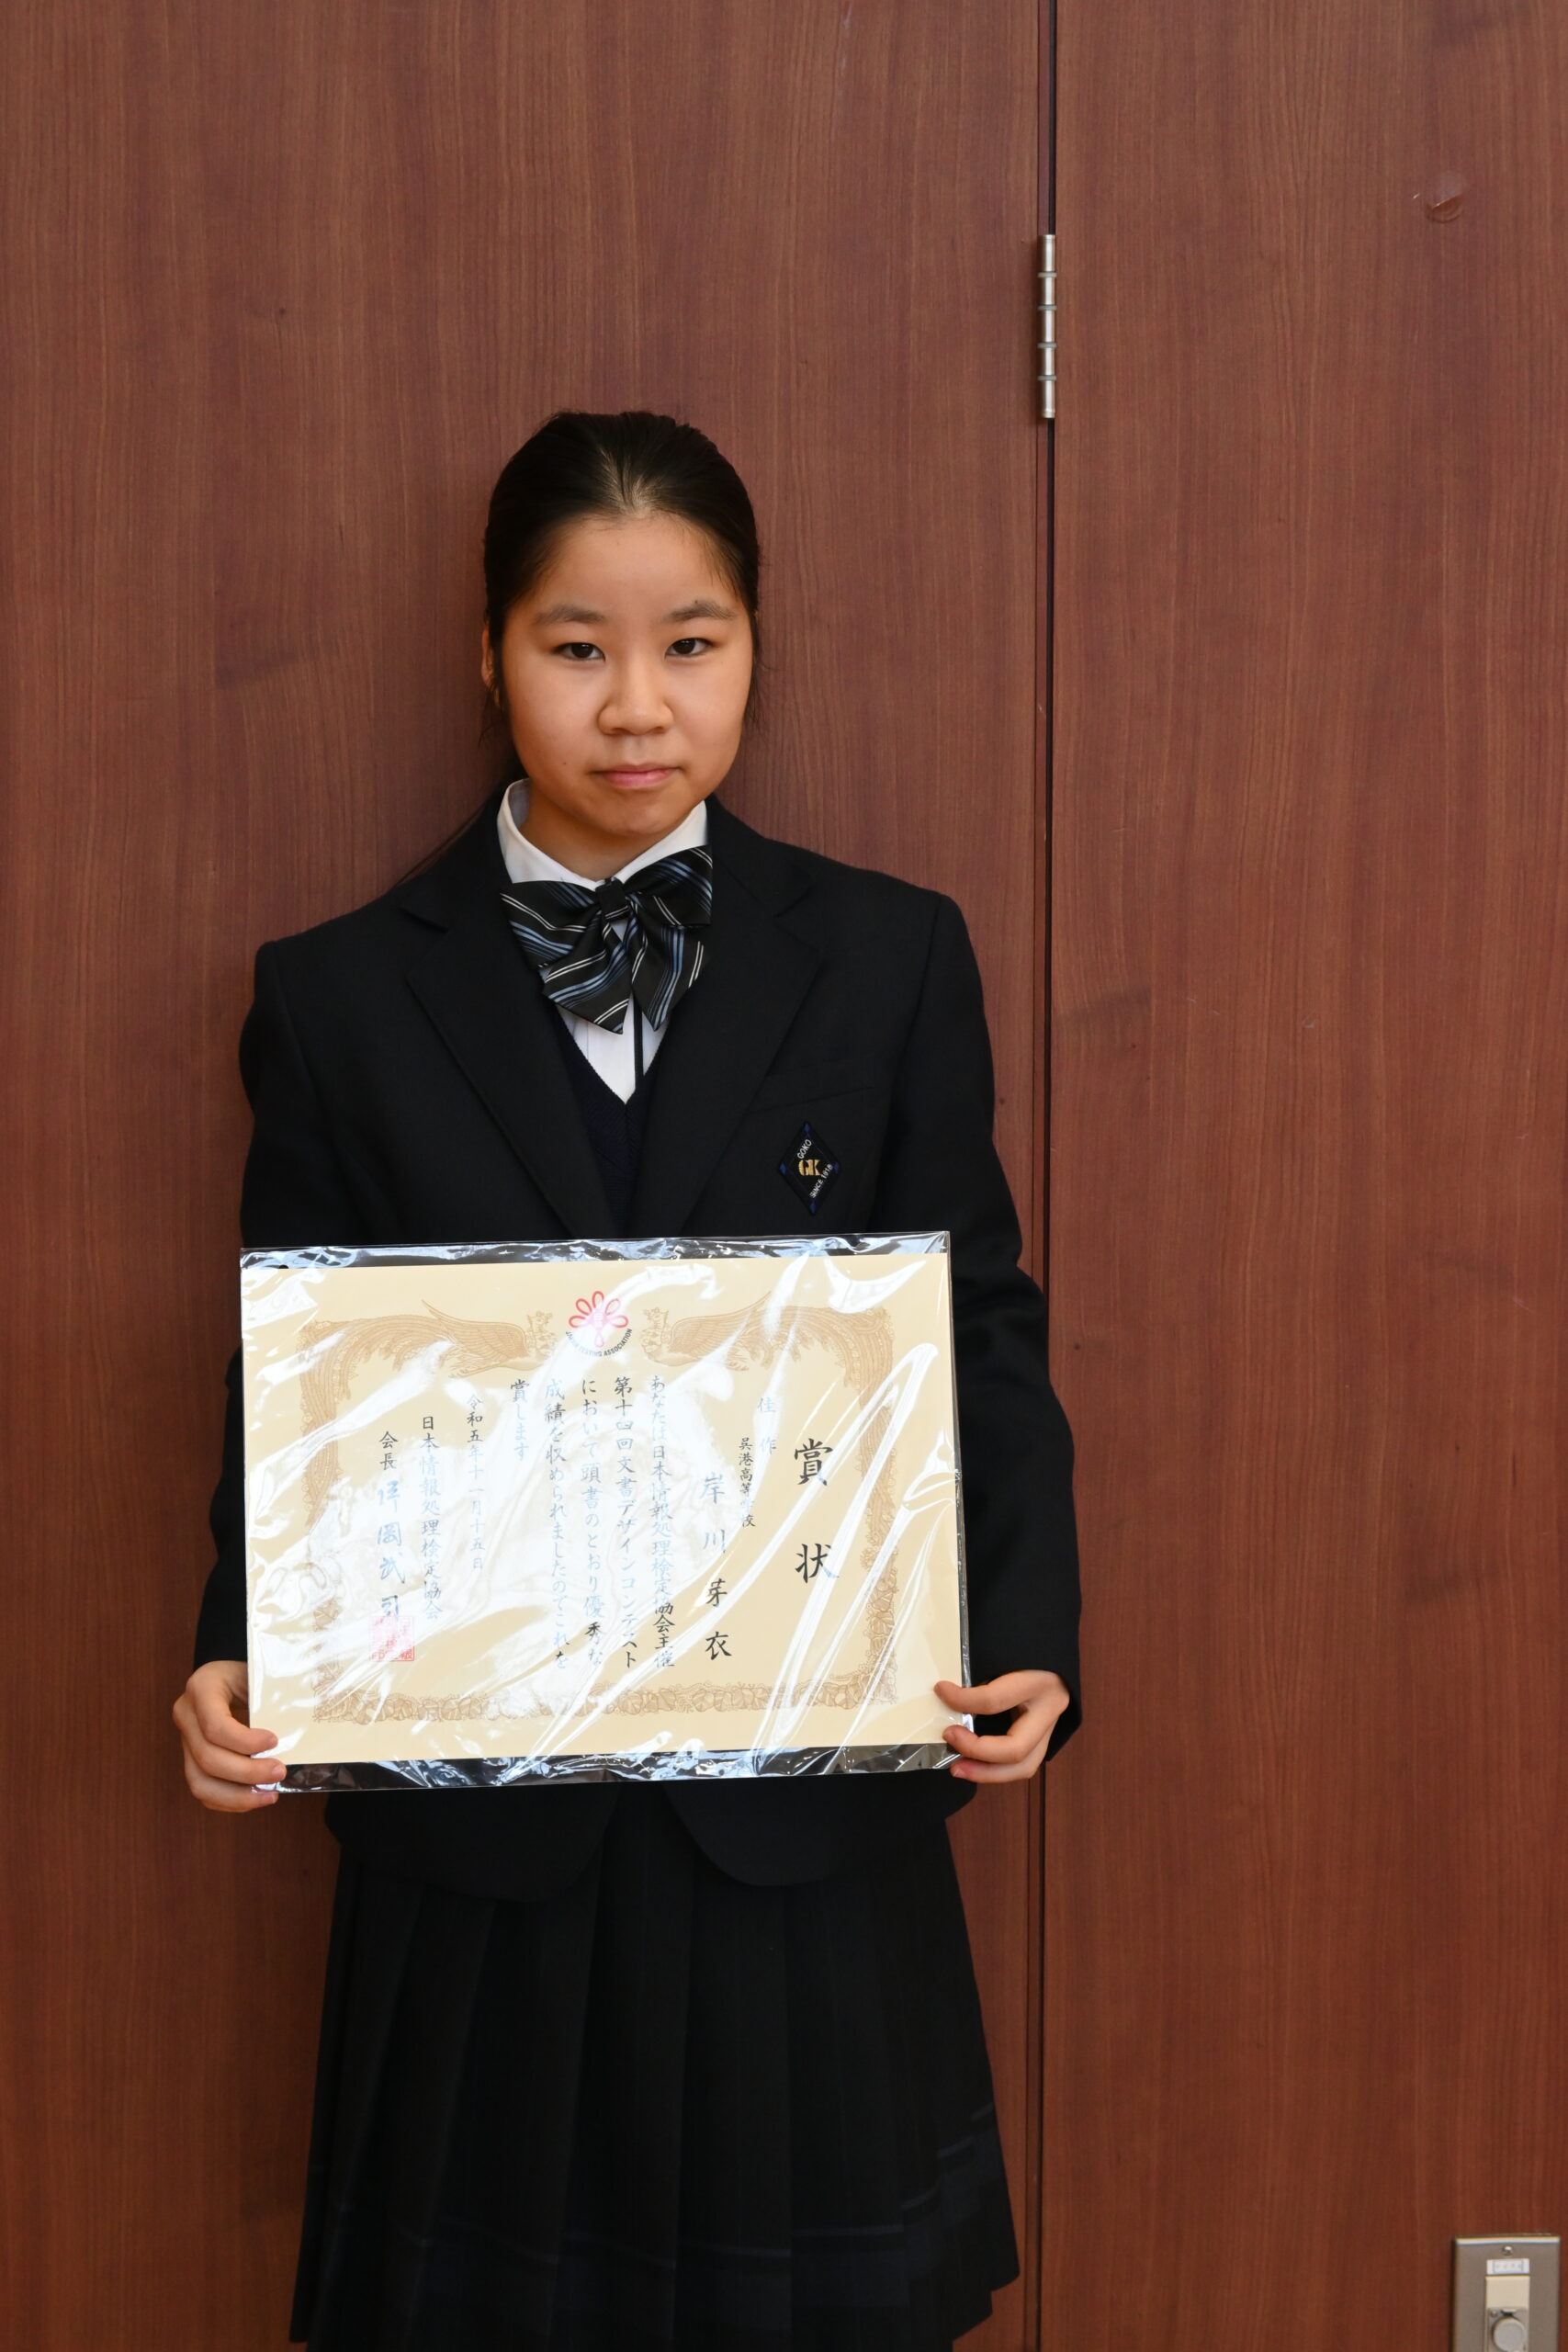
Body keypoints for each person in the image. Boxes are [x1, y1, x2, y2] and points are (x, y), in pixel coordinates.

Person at [172, 408, 1082, 2352]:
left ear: (755, 648)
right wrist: (241, 1647)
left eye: (692, 642)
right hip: (477, 1817)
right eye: (576, 645)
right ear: (487, 654)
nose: (637, 702)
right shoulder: (337, 994)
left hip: (806, 1792)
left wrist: (1024, 1633)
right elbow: (296, 1370)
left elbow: (975, 1323)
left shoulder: (889, 957)